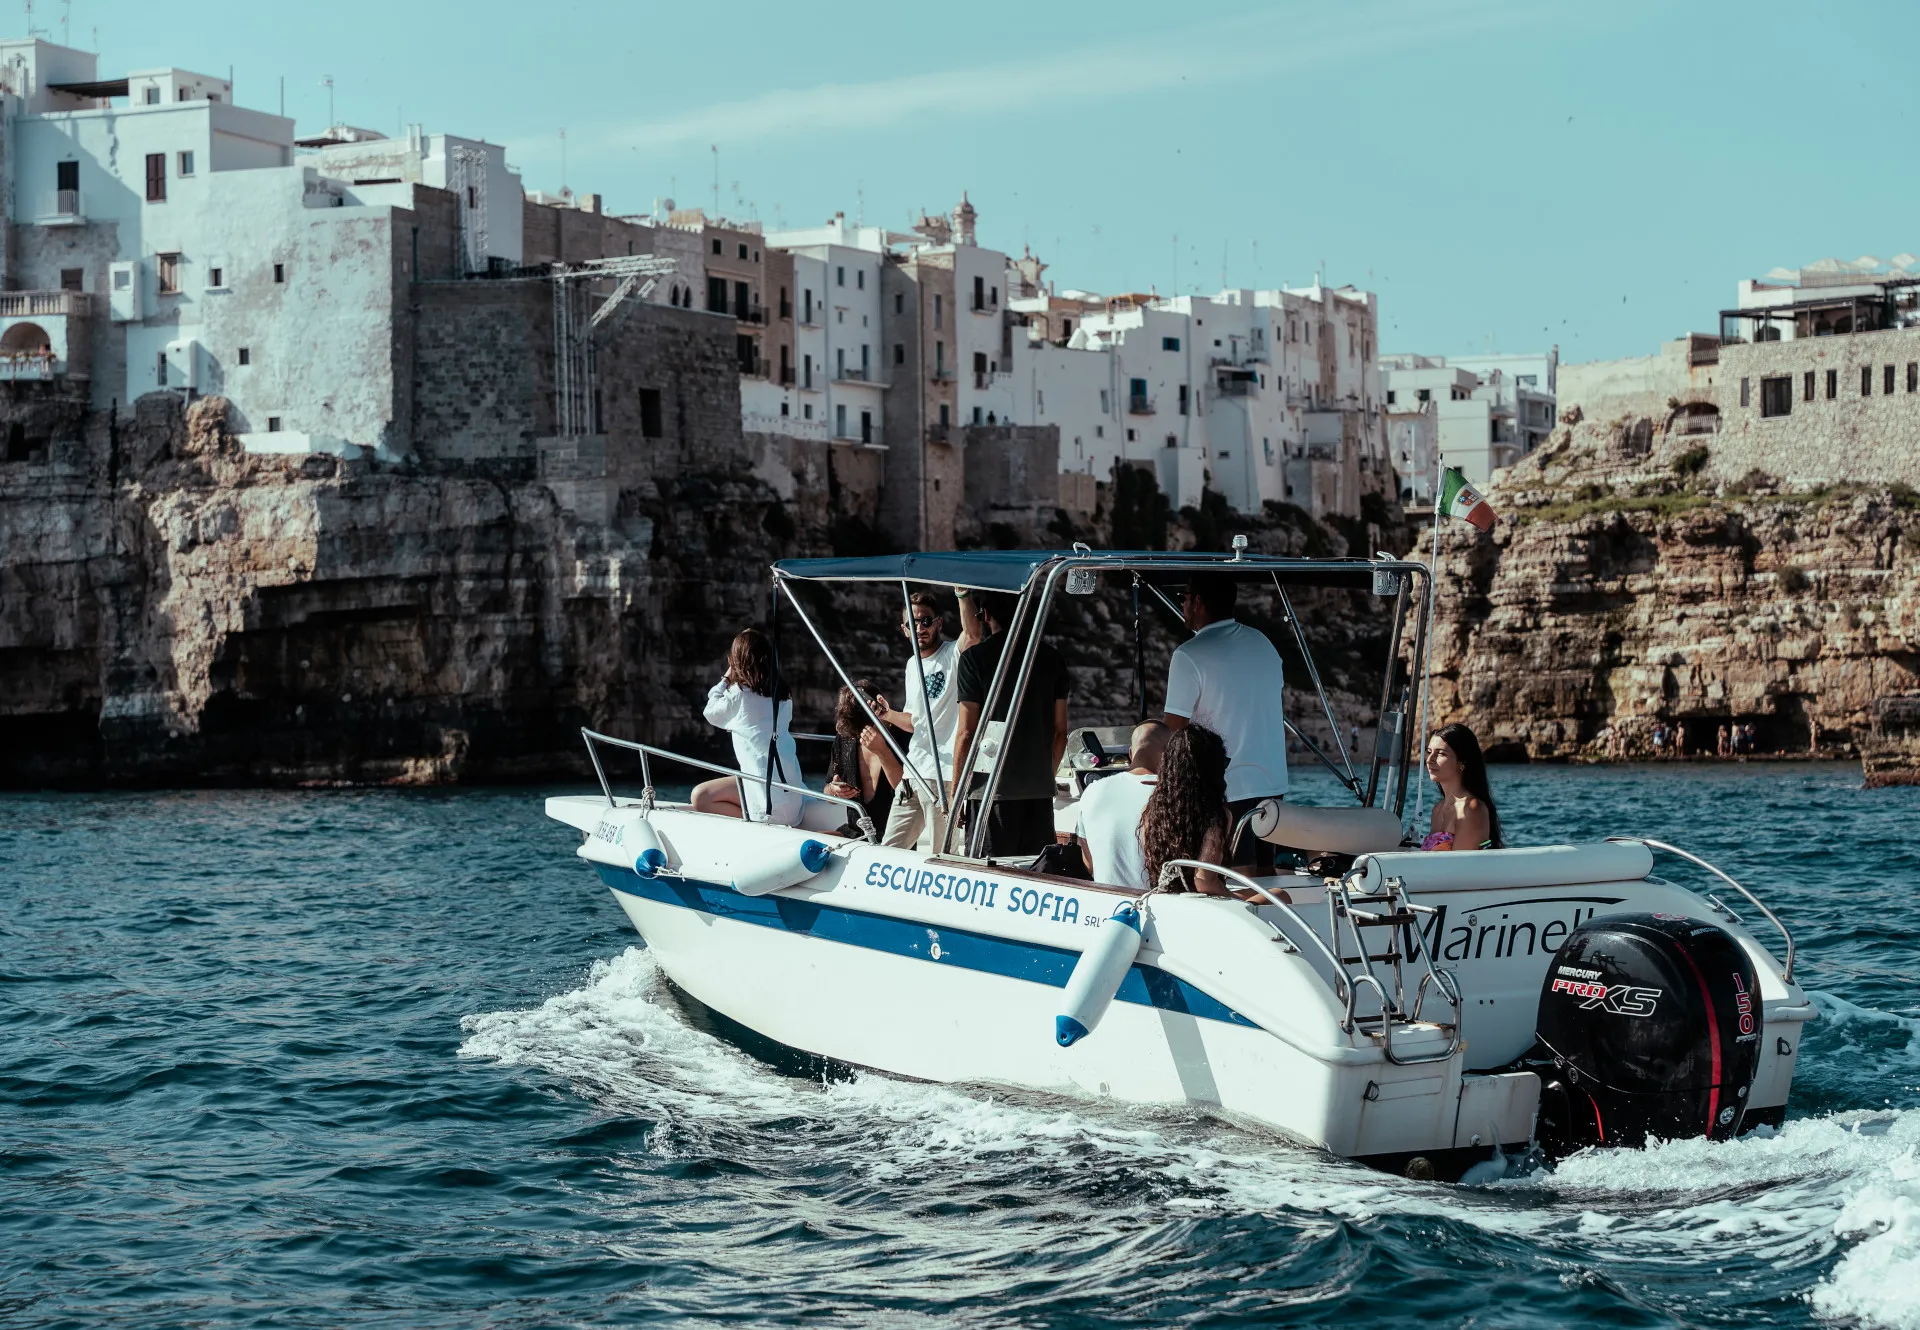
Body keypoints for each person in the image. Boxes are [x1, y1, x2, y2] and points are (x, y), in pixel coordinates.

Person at [1162, 572, 1288, 874]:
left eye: (1184, 598)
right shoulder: (1263, 643)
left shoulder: (1189, 654)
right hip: (1272, 783)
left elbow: (1174, 729)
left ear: (1198, 602)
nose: (1182, 604)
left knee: (1235, 879)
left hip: (1227, 787)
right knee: (1264, 875)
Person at [951, 591, 1071, 858]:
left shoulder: (973, 660)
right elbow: (1060, 732)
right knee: (1035, 874)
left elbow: (966, 733)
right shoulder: (1053, 658)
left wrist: (957, 793)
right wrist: (1044, 777)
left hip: (990, 794)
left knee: (987, 879)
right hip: (1038, 794)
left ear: (985, 616)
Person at [872, 591, 983, 850]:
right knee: (889, 849)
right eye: (913, 623)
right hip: (912, 775)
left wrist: (963, 595)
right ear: (905, 629)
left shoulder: (952, 655)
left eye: (926, 621)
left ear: (938, 623)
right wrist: (887, 714)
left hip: (943, 777)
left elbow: (973, 635)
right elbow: (915, 721)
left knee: (942, 853)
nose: (920, 627)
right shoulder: (912, 665)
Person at [691, 628, 803, 825]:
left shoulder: (739, 694)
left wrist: (726, 678)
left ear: (736, 661)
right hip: (793, 804)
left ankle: (750, 821)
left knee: (700, 796)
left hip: (766, 807)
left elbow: (710, 712)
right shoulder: (784, 694)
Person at [1076, 721, 1170, 888]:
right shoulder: (1175, 795)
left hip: (1107, 904)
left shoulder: (1092, 791)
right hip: (1155, 904)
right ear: (1170, 754)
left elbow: (1089, 863)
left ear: (1130, 753)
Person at [1140, 725, 1232, 895]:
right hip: (1203, 905)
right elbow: (1204, 882)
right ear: (1212, 770)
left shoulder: (1152, 810)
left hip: (1164, 898)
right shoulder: (1215, 816)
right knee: (1279, 894)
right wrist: (1240, 901)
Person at [823, 679, 902, 837]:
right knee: (809, 845)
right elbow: (827, 795)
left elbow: (906, 791)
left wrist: (883, 752)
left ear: (879, 709)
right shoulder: (846, 738)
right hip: (855, 832)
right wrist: (834, 790)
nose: (860, 734)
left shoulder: (901, 737)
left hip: (894, 836)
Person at [1419, 723, 1503, 851]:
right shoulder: (1437, 809)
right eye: (1429, 752)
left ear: (1462, 761)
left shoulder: (1472, 808)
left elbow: (1460, 867)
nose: (1430, 759)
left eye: (1440, 754)